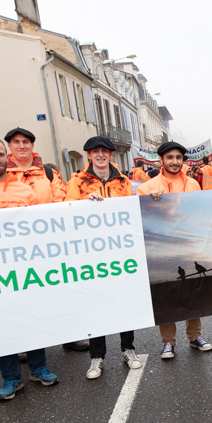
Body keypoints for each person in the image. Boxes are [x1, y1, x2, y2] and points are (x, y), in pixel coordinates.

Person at [0, 137, 60, 397]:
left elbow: (39, 230)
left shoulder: (24, 190)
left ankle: (38, 368)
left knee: (32, 319)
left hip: (26, 269)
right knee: (1, 324)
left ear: (7, 157)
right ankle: (11, 378)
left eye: (0, 154)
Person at [65, 136, 144, 379]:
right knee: (95, 303)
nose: (100, 155)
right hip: (91, 252)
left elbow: (131, 209)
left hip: (120, 250)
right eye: (95, 151)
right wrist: (84, 204)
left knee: (123, 301)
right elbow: (67, 209)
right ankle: (96, 356)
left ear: (111, 155)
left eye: (105, 151)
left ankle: (128, 348)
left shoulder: (123, 180)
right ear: (89, 155)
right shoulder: (77, 180)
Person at [138, 142, 212, 359]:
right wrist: (148, 201)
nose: (174, 161)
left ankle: (195, 336)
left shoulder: (193, 184)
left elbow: (201, 212)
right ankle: (168, 342)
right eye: (170, 157)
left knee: (192, 293)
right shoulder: (147, 187)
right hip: (162, 250)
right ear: (161, 160)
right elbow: (140, 217)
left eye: (178, 157)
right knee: (166, 295)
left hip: (190, 247)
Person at [4, 127, 65, 203]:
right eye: (16, 142)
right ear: (9, 145)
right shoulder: (2, 175)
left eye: (25, 142)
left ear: (32, 145)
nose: (22, 146)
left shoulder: (50, 174)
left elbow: (60, 203)